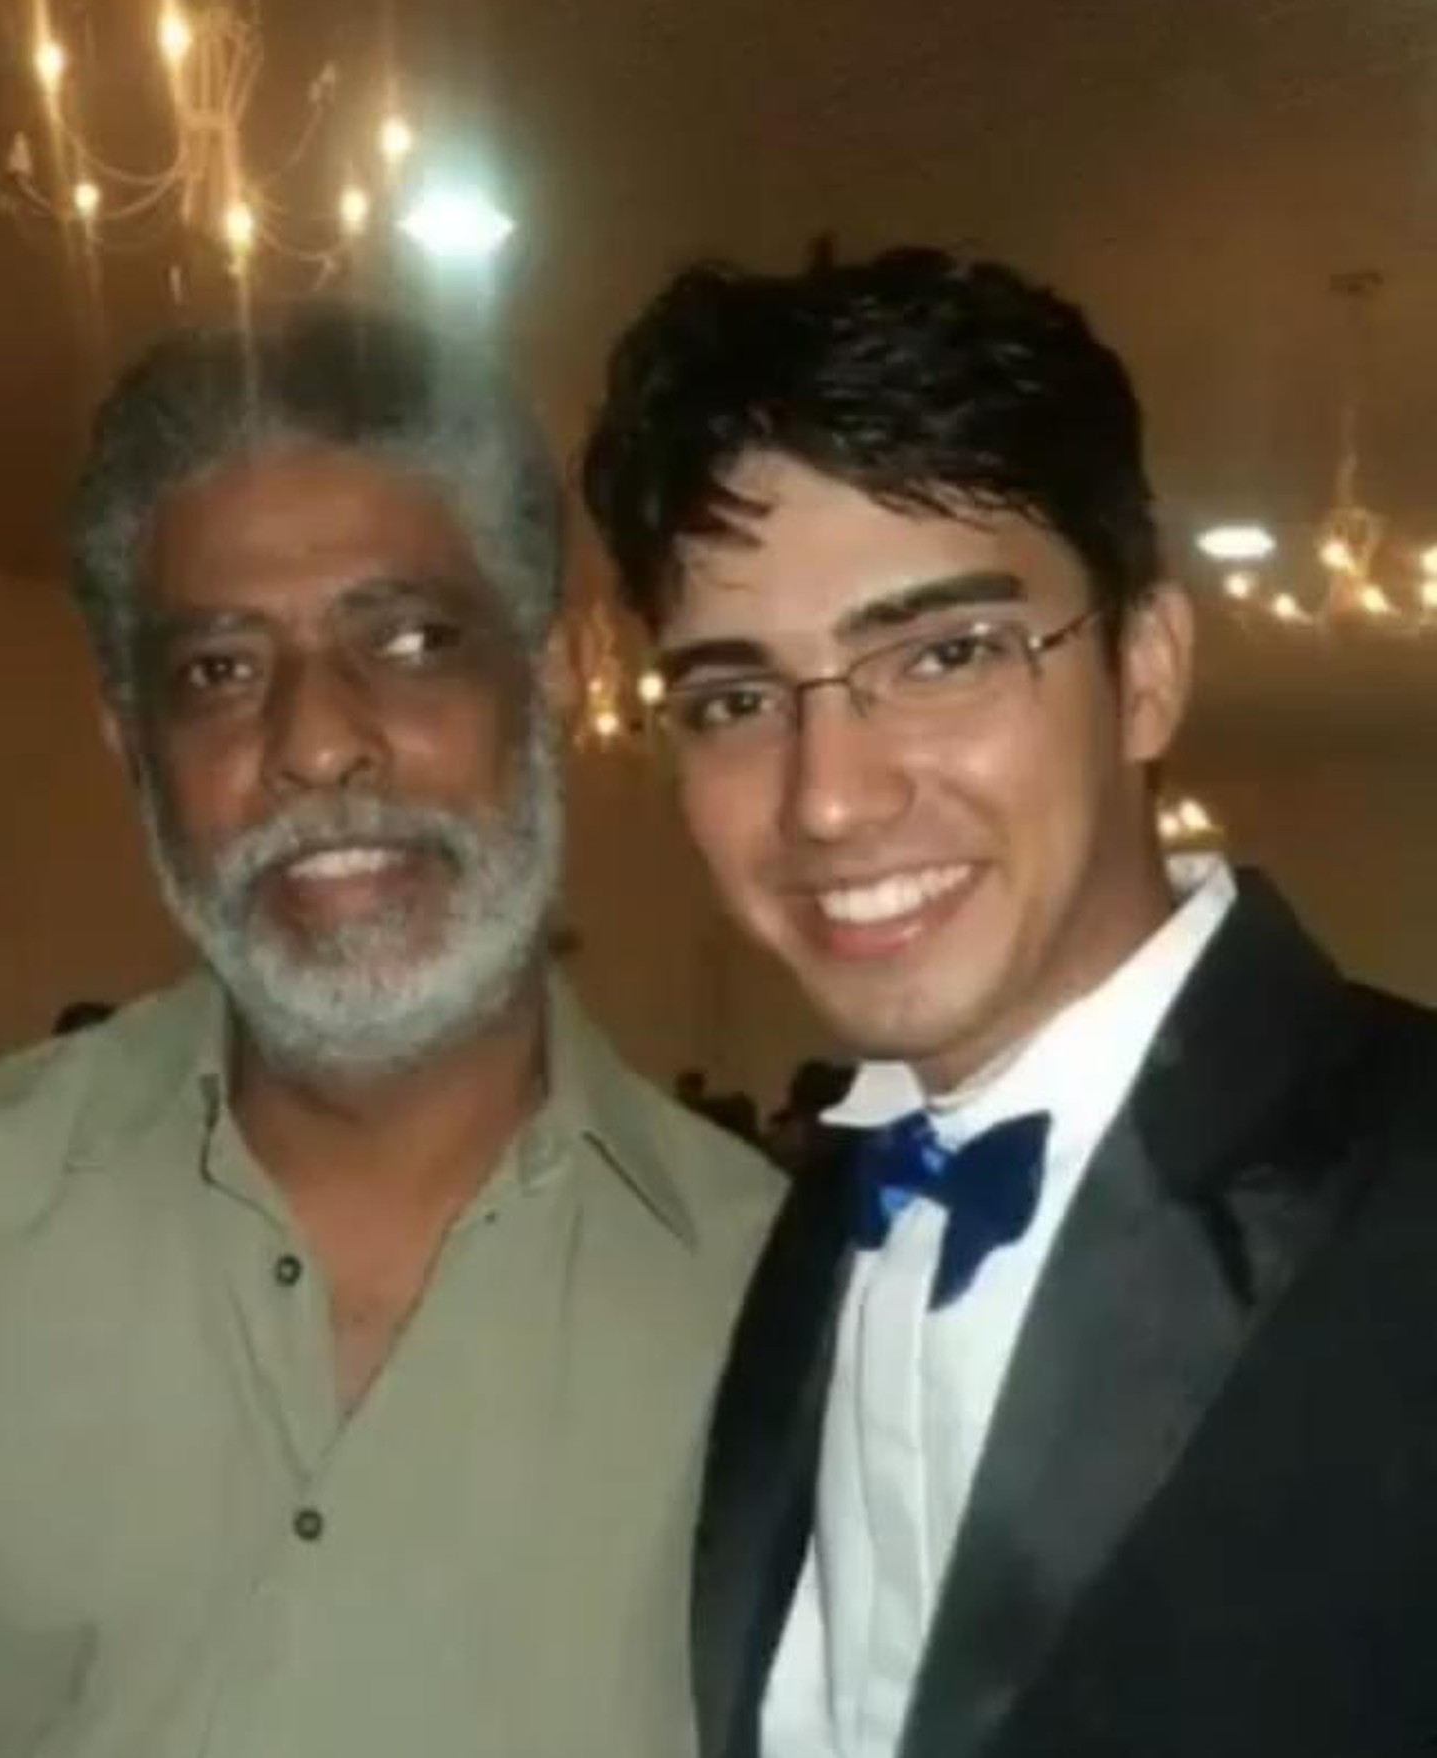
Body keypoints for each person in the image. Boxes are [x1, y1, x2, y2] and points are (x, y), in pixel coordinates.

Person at [0, 302, 781, 1758]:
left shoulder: (786, 1312)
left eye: (408, 639)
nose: (318, 741)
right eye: (219, 670)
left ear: (546, 678)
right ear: (133, 748)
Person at [583, 246, 1437, 1758]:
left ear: (1146, 670)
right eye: (737, 699)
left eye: (944, 654)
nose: (828, 798)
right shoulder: (806, 1229)